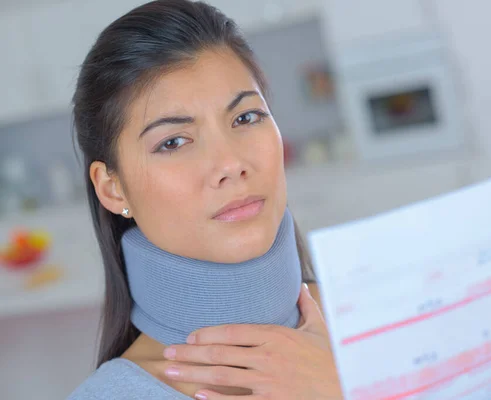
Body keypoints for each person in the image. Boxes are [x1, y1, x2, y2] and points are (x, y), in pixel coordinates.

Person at [67, 0, 342, 398]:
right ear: (113, 187)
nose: (230, 163)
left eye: (245, 118)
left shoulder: (383, 312)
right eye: (173, 142)